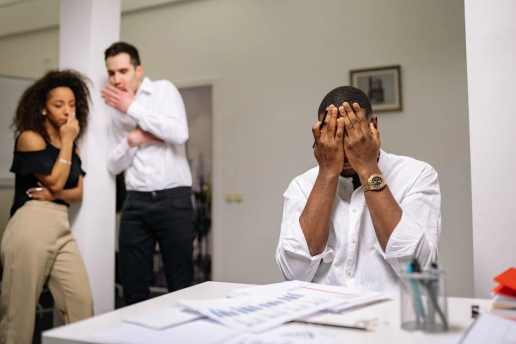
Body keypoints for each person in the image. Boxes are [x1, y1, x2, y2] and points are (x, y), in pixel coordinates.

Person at [275, 86, 441, 293]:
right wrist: (327, 173)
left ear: (373, 127)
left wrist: (367, 167)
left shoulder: (416, 174)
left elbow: (419, 268)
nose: (343, 146)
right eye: (332, 132)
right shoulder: (301, 185)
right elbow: (294, 274)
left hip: (390, 314)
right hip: (325, 312)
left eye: (353, 131)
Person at [0, 70, 94, 344]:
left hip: (60, 225)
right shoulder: (30, 138)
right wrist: (66, 142)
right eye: (58, 104)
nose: (67, 111)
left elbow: (75, 193)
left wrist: (55, 194)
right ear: (42, 108)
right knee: (19, 316)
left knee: (82, 304)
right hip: (30, 224)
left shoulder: (72, 148)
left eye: (72, 104)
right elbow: (54, 179)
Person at [101, 42, 195, 305]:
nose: (117, 79)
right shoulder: (111, 110)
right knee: (132, 288)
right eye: (111, 73)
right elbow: (112, 164)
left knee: (180, 286)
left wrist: (132, 108)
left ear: (138, 70)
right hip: (135, 203)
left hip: (173, 200)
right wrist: (133, 140)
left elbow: (179, 134)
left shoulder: (163, 91)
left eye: (123, 71)